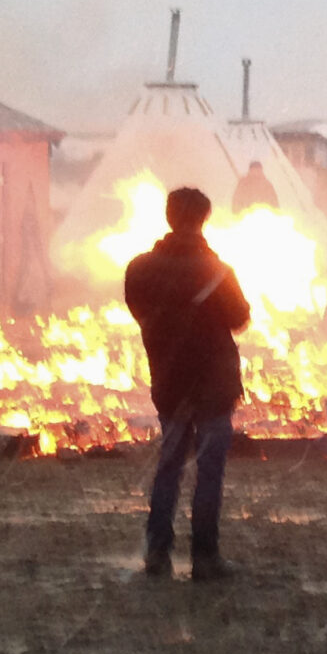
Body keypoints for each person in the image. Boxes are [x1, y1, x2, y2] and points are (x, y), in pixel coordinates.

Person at [123, 186, 253, 581]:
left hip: (169, 380)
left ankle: (157, 554)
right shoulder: (217, 271)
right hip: (212, 383)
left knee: (169, 466)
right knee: (209, 471)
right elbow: (239, 318)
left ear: (168, 217)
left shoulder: (139, 269)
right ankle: (205, 558)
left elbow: (139, 311)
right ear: (203, 220)